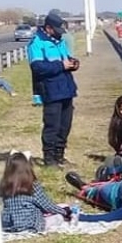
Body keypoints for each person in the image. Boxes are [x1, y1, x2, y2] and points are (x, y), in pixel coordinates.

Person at [28, 11, 80, 167]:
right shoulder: (37, 43)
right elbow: (37, 67)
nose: (59, 34)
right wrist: (61, 65)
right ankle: (49, 159)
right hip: (50, 90)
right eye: (56, 30)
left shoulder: (60, 41)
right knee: (52, 126)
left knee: (65, 125)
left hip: (66, 88)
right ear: (48, 28)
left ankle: (60, 155)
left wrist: (73, 63)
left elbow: (66, 59)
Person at [0, 151, 69, 233]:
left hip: (8, 225)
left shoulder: (4, 185)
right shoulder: (32, 185)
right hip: (30, 224)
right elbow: (47, 206)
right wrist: (65, 212)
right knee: (59, 217)